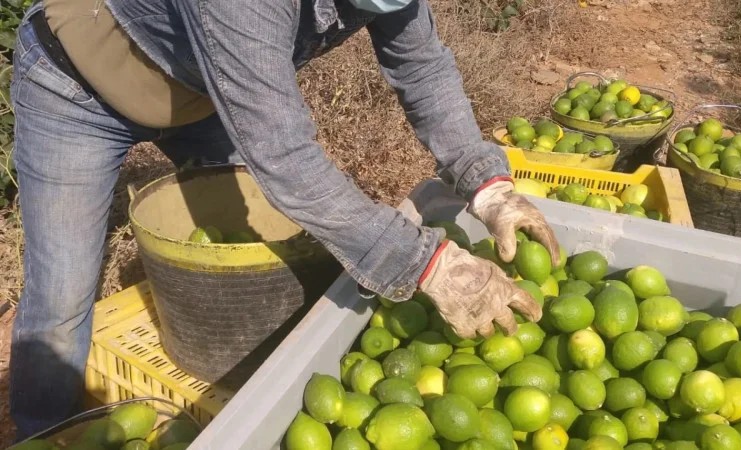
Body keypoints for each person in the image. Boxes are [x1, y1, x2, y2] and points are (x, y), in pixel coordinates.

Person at [9, 0, 560, 439]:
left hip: (204, 94)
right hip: (77, 87)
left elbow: (424, 70)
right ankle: (44, 431)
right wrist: (427, 263)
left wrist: (489, 187)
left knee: (264, 246)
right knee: (62, 295)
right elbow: (285, 157)